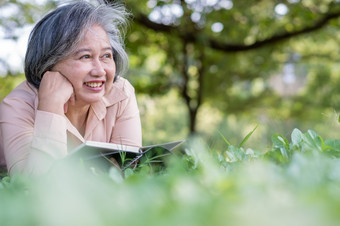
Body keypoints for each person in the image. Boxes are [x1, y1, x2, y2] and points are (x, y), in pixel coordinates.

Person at [0, 0, 142, 175]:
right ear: (48, 64)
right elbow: (33, 185)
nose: (100, 71)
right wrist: (51, 106)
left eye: (106, 55)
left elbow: (130, 171)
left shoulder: (121, 94)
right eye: (85, 57)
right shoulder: (17, 105)